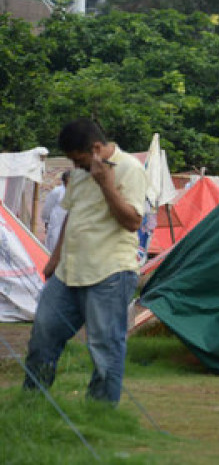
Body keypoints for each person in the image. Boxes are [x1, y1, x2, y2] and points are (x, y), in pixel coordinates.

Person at [23, 119, 146, 406]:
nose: (75, 167)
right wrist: (54, 258)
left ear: (95, 148)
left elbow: (132, 221)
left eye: (78, 160)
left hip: (110, 272)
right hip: (69, 271)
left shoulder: (130, 169)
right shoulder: (79, 174)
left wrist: (106, 184)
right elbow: (71, 215)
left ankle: (100, 413)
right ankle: (30, 404)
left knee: (105, 347)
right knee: (42, 335)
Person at [41, 171, 70, 253]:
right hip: (56, 223)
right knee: (54, 244)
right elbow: (48, 206)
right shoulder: (57, 191)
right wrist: (46, 220)